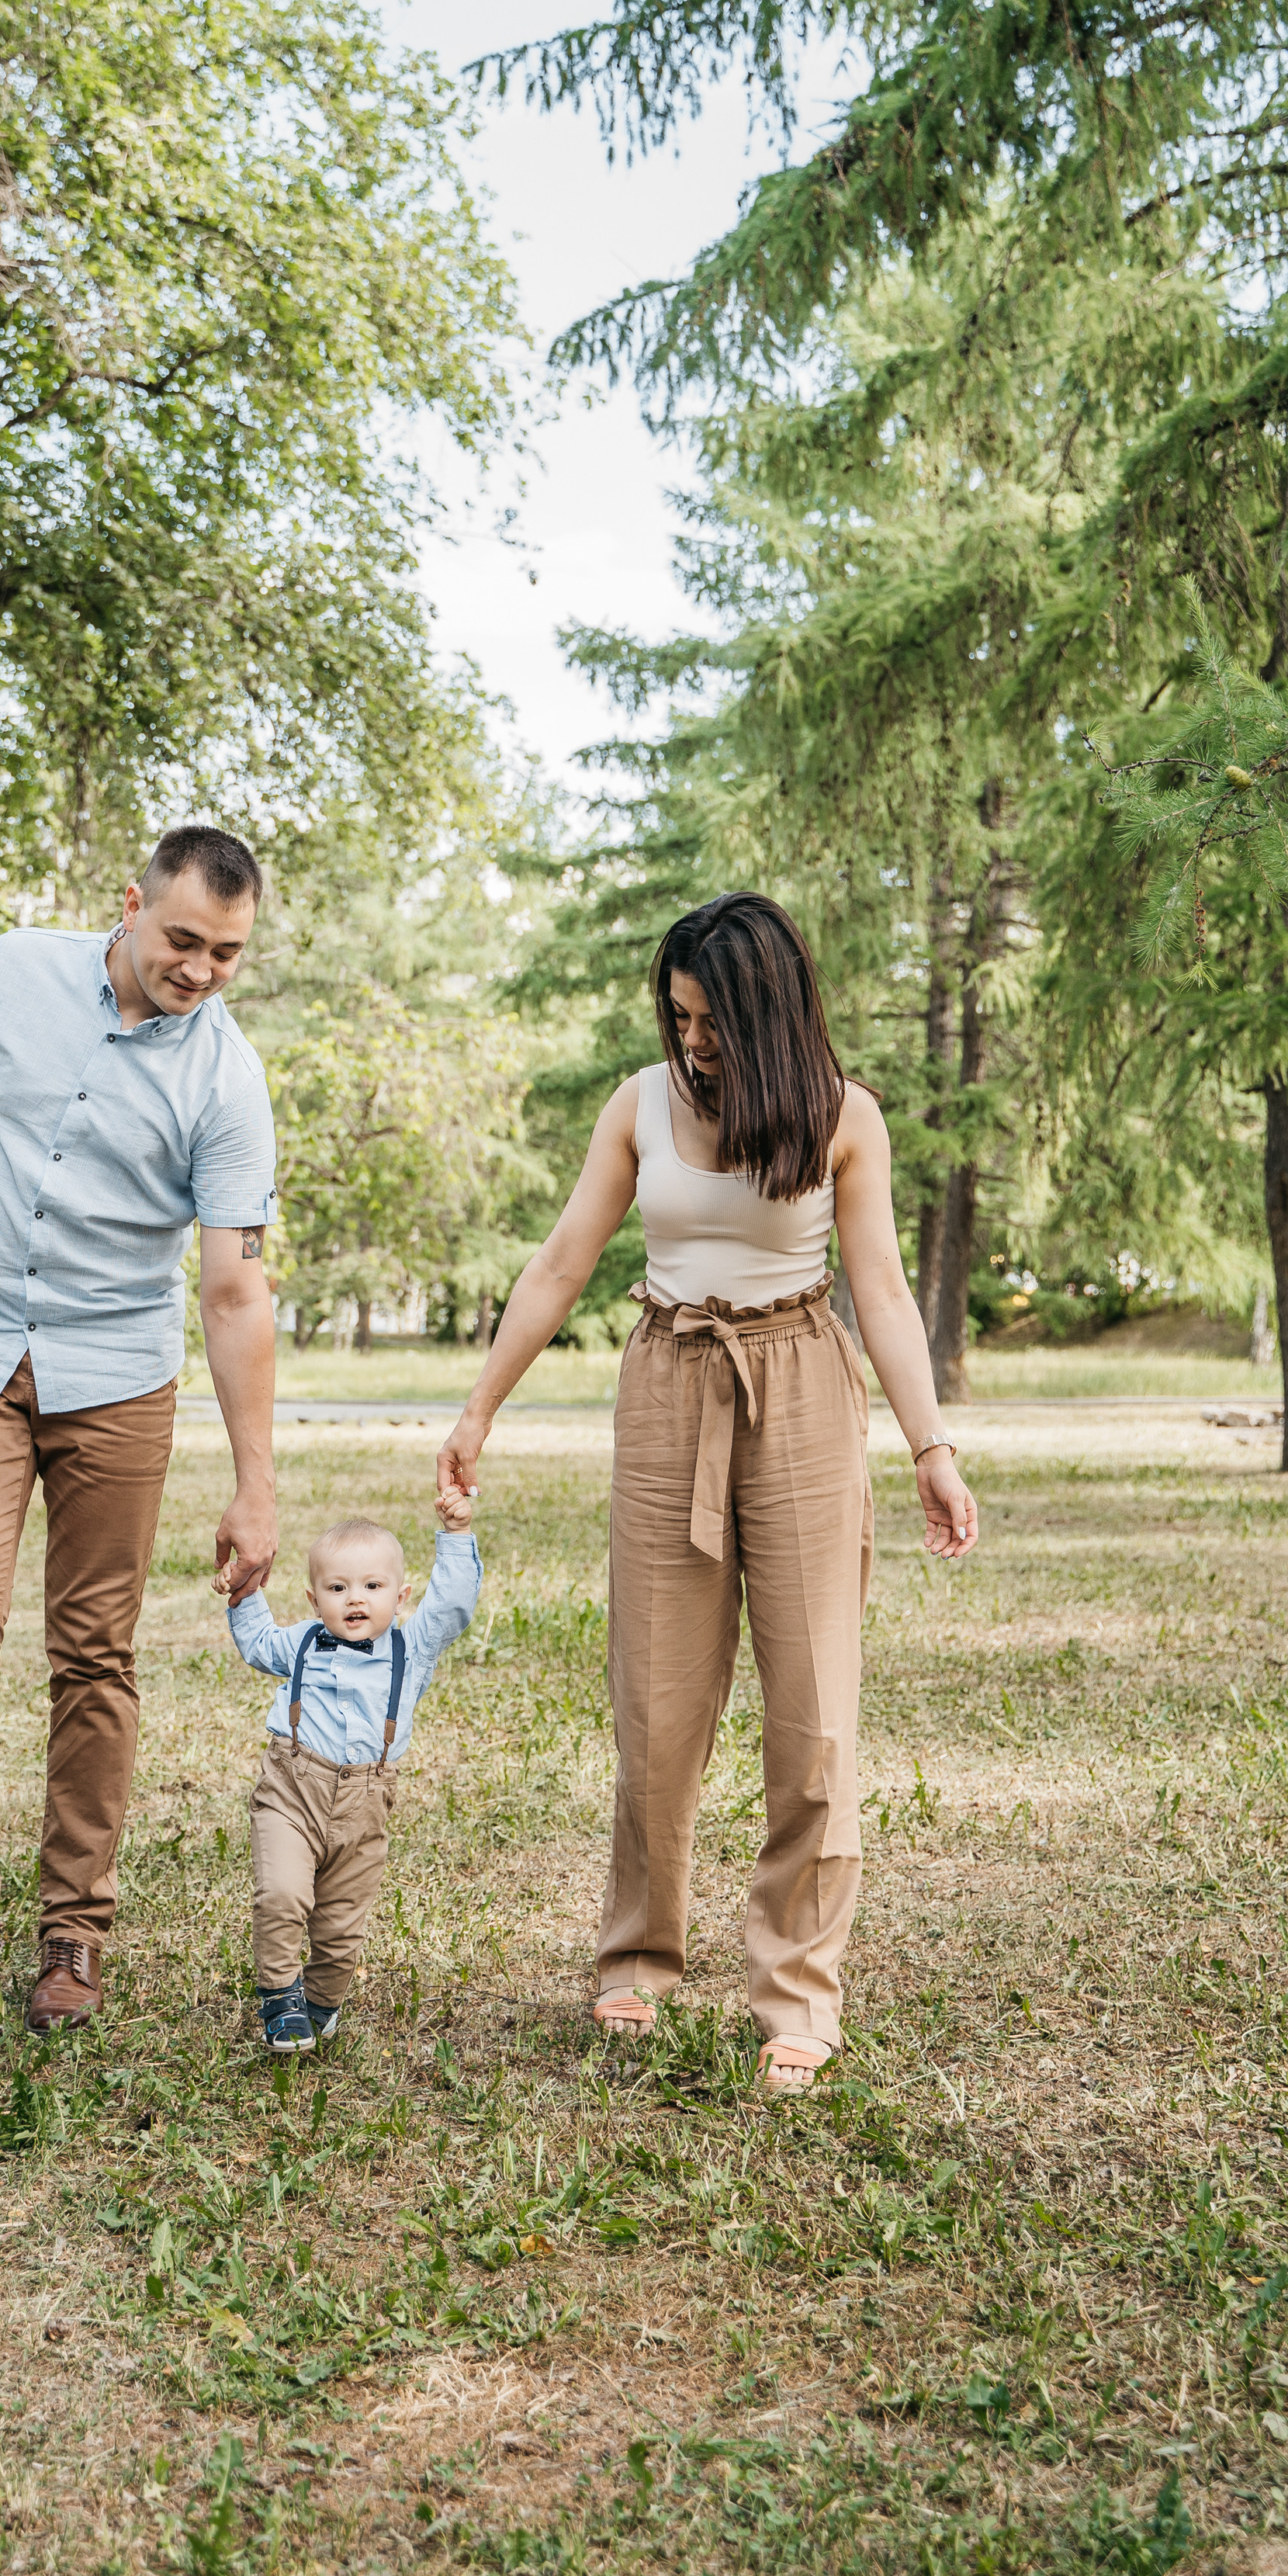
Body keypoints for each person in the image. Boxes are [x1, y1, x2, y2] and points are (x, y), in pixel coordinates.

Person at [438, 892, 978, 2098]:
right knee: (658, 1695)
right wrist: (479, 1408)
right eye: (679, 1016)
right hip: (671, 1380)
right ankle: (639, 1951)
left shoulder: (847, 1117)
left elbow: (880, 1292)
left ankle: (797, 1988)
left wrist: (930, 1445)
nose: (692, 1041)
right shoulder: (639, 1104)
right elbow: (564, 1259)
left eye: (713, 1020)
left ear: (768, 1011)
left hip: (800, 1380)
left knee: (814, 1706)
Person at [0, 824, 280, 2039]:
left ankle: (74, 1941)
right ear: (130, 904)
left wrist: (257, 1485)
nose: (199, 969)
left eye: (228, 955)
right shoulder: (13, 970)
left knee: (95, 1653)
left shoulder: (226, 1081)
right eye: (183, 938)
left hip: (116, 1380)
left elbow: (235, 1289)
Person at [223, 1490, 480, 2051]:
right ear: (314, 1599)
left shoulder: (410, 1650)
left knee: (340, 1929)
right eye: (338, 1589)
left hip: (365, 1804)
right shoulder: (299, 1645)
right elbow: (257, 1641)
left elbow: (453, 1606)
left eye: (372, 1586)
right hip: (292, 1790)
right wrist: (243, 1589)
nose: (355, 1599)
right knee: (282, 1895)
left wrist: (456, 1536)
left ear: (401, 1594)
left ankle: (320, 2001)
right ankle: (280, 1997)